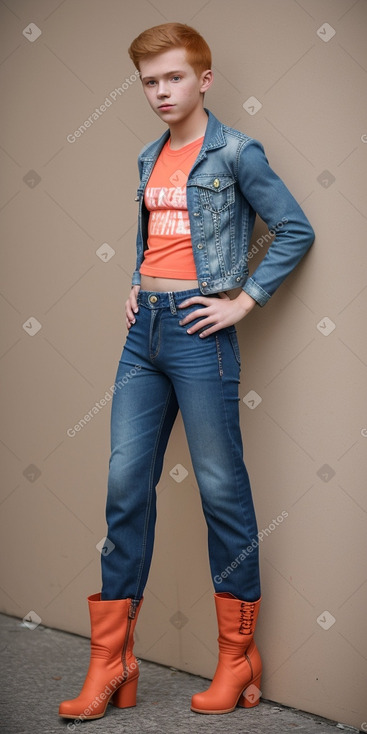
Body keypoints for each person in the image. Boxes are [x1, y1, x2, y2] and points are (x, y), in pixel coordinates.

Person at [59, 22, 314, 721]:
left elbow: (294, 228)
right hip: (145, 335)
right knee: (124, 488)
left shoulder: (235, 151)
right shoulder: (148, 155)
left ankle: (237, 659)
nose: (160, 91)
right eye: (149, 81)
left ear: (202, 79)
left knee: (220, 490)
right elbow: (162, 237)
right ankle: (112, 663)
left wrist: (243, 303)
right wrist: (137, 280)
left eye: (173, 77)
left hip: (202, 339)